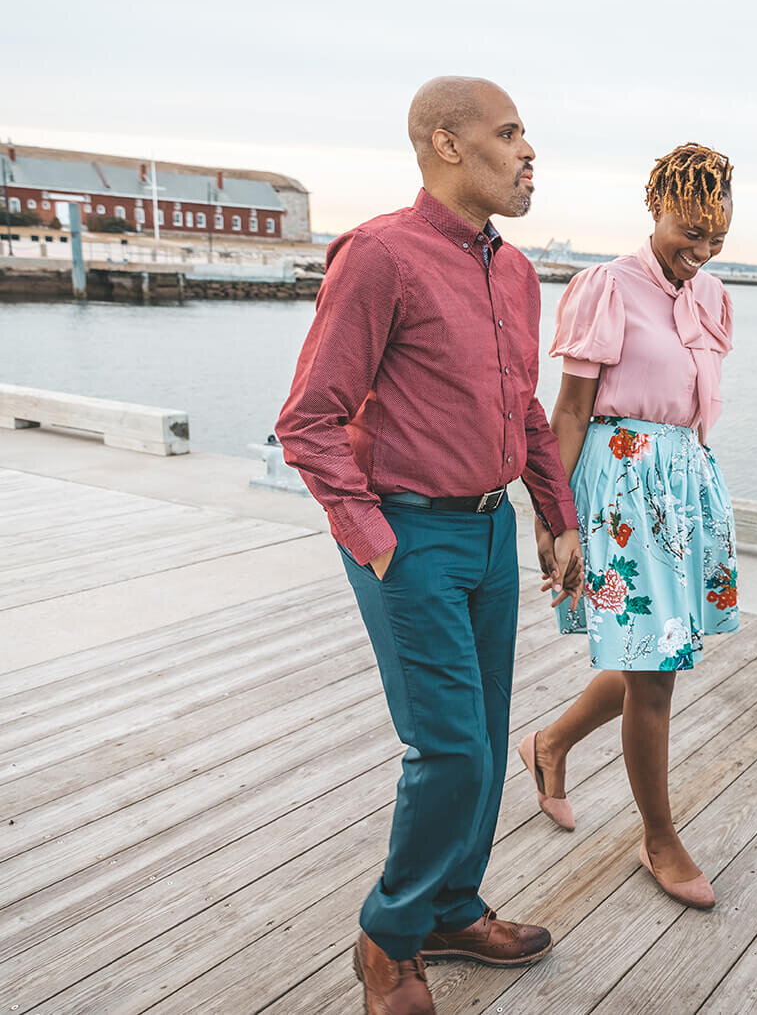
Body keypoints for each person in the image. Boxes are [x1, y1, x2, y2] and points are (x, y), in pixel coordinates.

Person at [276, 76, 584, 1015]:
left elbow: (521, 407)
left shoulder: (520, 272)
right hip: (409, 535)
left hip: (491, 531)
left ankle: (453, 905)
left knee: (486, 742)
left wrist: (556, 512)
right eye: (509, 133)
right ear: (446, 145)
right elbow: (309, 423)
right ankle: (390, 935)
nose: (530, 153)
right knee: (449, 748)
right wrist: (377, 544)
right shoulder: (379, 256)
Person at [519, 143, 739, 911]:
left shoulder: (711, 296)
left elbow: (693, 408)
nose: (702, 249)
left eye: (716, 235)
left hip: (682, 491)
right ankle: (660, 838)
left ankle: (547, 745)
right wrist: (554, 516)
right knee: (655, 671)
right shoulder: (606, 287)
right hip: (618, 488)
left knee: (659, 654)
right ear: (658, 208)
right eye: (691, 228)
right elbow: (571, 410)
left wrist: (699, 500)